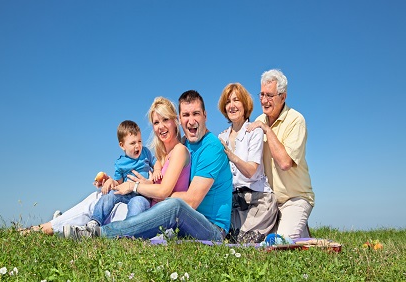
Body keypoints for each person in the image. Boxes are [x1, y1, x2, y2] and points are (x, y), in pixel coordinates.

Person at [65, 90, 233, 241]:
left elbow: (192, 201)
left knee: (175, 206)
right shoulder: (186, 144)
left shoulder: (211, 148)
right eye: (186, 115)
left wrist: (149, 190)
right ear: (180, 119)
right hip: (186, 224)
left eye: (196, 114)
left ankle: (100, 234)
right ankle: (64, 227)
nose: (191, 121)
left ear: (205, 115)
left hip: (211, 228)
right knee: (108, 196)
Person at [23, 97, 190, 236]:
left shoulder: (177, 151)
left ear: (175, 121)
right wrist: (111, 181)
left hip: (148, 208)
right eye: (156, 122)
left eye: (165, 120)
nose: (160, 126)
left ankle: (52, 228)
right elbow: (149, 182)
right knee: (100, 198)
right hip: (142, 200)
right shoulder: (161, 155)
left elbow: (163, 191)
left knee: (94, 202)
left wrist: (136, 185)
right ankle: (56, 226)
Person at [247, 69, 315, 239]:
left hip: (295, 198)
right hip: (268, 202)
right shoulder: (258, 120)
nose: (264, 100)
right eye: (261, 94)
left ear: (283, 97)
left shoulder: (296, 120)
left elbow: (285, 163)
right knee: (253, 241)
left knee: (279, 245)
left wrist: (266, 130)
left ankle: (295, 226)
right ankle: (301, 233)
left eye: (270, 95)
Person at [217, 82, 278, 243]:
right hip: (234, 204)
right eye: (228, 102)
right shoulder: (221, 137)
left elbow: (251, 171)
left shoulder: (254, 131)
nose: (232, 105)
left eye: (236, 100)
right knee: (224, 240)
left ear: (245, 104)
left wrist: (231, 156)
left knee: (244, 244)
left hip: (258, 201)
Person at [86, 120, 163, 229]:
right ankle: (95, 221)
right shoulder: (120, 163)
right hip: (126, 193)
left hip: (143, 194)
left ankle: (128, 228)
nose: (138, 146)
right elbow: (119, 183)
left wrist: (157, 171)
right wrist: (110, 181)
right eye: (133, 143)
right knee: (109, 196)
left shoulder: (145, 152)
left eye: (139, 141)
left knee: (137, 204)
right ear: (122, 146)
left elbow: (156, 162)